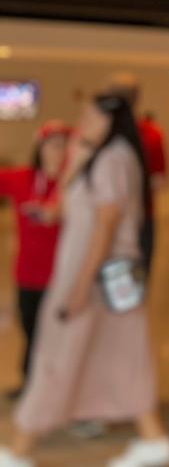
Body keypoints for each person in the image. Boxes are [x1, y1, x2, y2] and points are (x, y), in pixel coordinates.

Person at [0, 95, 169, 467]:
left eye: (89, 116)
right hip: (104, 275)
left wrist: (80, 287)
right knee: (123, 354)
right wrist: (76, 159)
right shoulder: (99, 157)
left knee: (57, 353)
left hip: (95, 276)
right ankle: (154, 437)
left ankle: (19, 449)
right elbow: (70, 205)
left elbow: (106, 225)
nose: (82, 122)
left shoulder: (113, 159)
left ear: (110, 121)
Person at [0, 122, 70, 399]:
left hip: (62, 276)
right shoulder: (23, 178)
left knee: (56, 336)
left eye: (64, 145)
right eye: (53, 145)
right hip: (27, 274)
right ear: (39, 148)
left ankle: (53, 390)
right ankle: (30, 383)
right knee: (31, 332)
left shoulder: (74, 182)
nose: (58, 151)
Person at [105, 74, 167, 278]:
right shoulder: (102, 131)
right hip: (110, 219)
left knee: (131, 285)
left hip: (137, 220)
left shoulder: (150, 134)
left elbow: (159, 180)